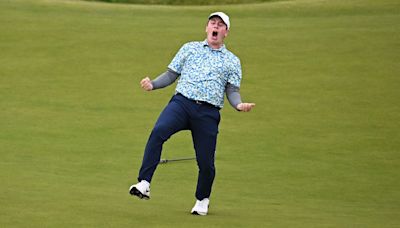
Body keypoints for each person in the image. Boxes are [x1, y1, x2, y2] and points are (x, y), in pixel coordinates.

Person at [129, 12, 255, 216]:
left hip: (208, 112)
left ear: (226, 32)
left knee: (206, 162)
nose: (216, 27)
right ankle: (144, 182)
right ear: (206, 27)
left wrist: (239, 105)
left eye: (220, 25)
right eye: (212, 23)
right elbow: (171, 74)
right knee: (158, 132)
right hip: (182, 103)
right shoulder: (189, 48)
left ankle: (202, 199)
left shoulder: (232, 61)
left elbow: (232, 91)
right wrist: (153, 84)